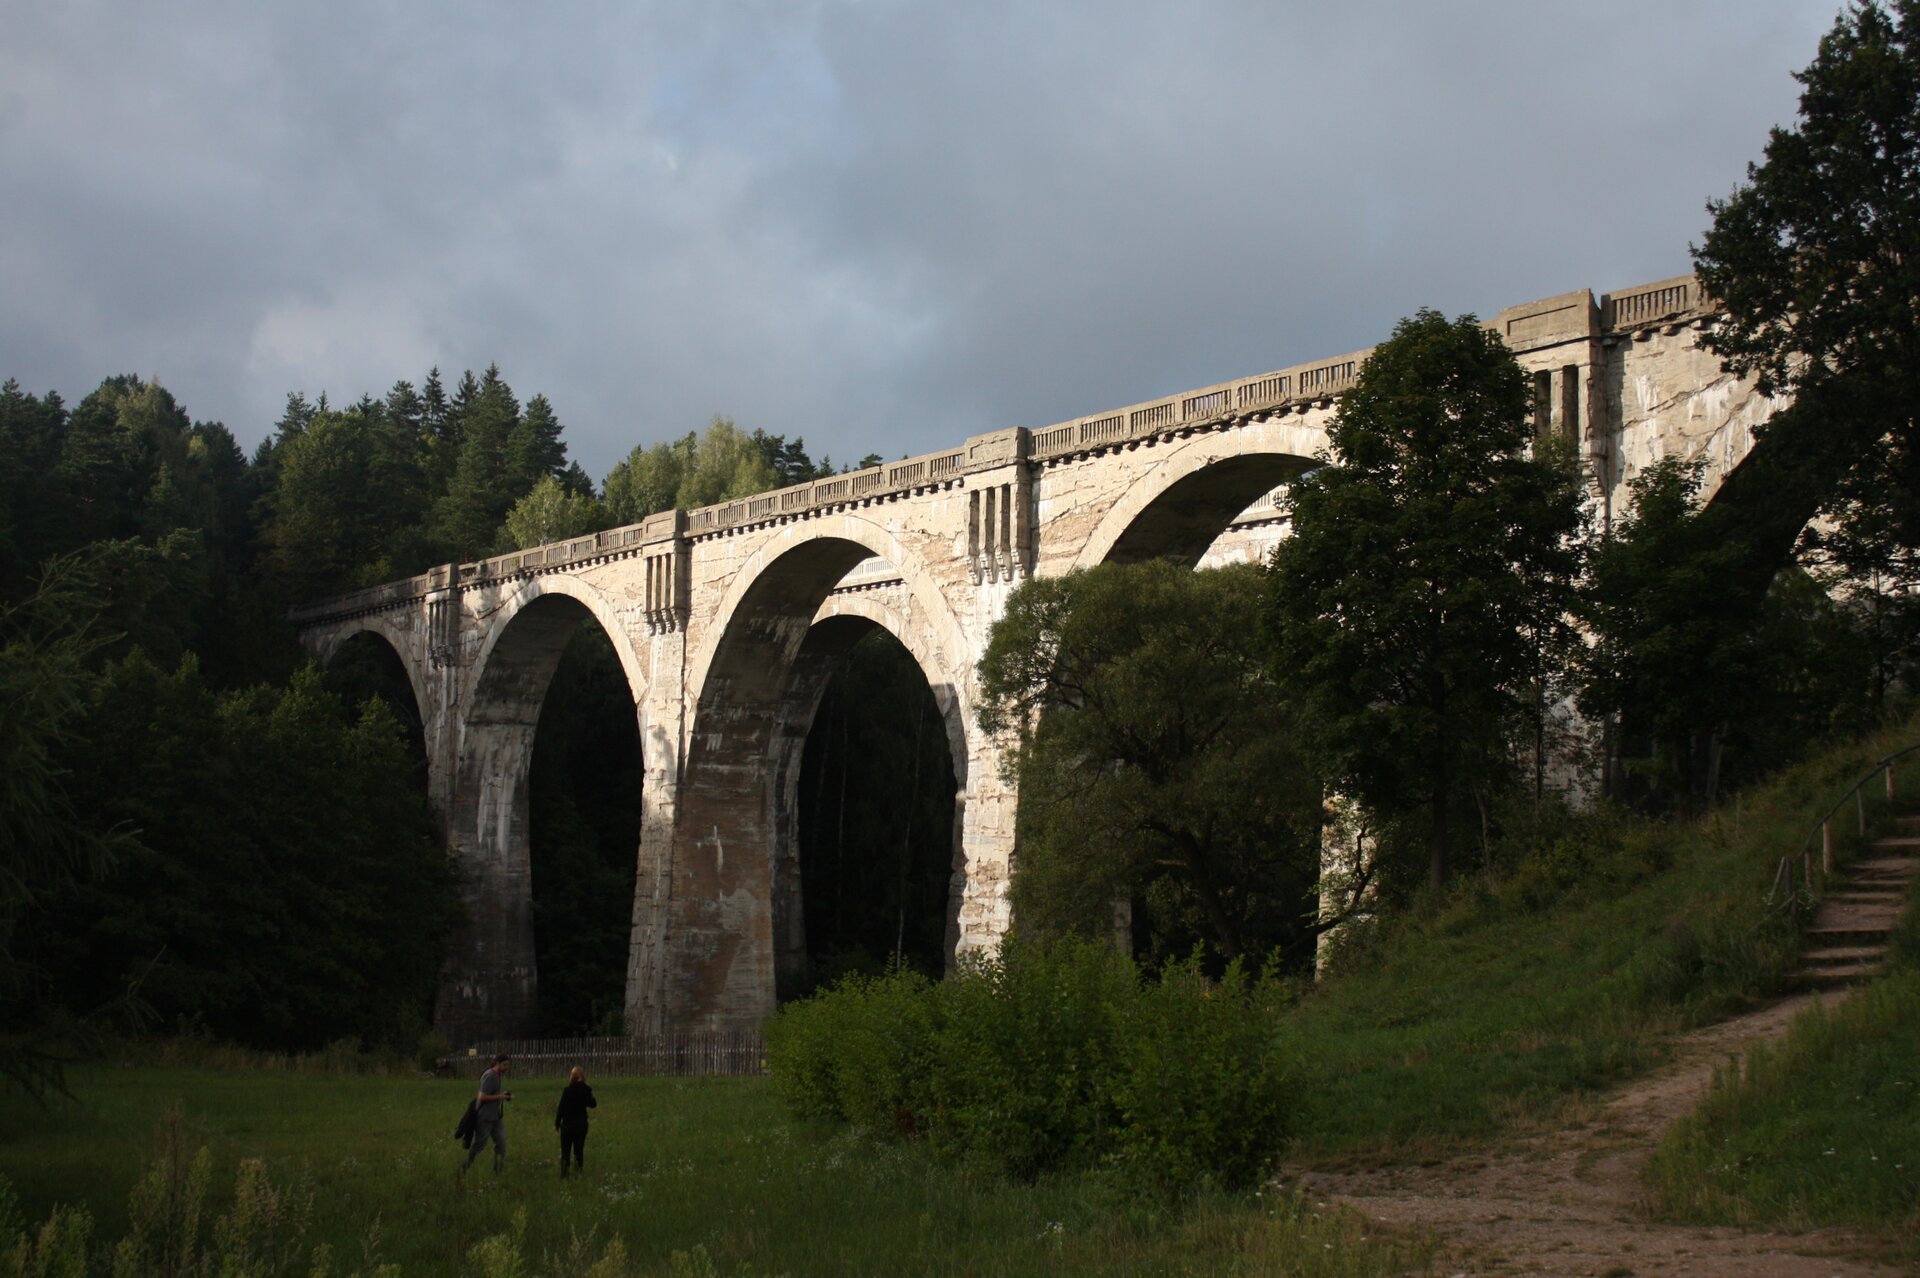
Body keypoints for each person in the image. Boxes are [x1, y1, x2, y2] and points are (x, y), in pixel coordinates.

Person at [461, 1054, 513, 1174]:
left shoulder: (498, 1075)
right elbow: (482, 1096)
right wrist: (500, 1096)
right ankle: (464, 1168)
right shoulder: (490, 1076)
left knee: (501, 1143)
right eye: (505, 1065)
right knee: (480, 1144)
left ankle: (497, 1171)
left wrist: (502, 1095)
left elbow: (492, 1093)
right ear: (498, 1063)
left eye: (508, 1065)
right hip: (485, 1117)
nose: (507, 1067)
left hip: (495, 1117)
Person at [554, 1065, 597, 1177]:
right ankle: (578, 1172)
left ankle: (564, 1174)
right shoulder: (586, 1090)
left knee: (565, 1151)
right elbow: (593, 1104)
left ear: (572, 1077)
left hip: (568, 1125)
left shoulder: (567, 1090)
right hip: (581, 1124)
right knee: (579, 1150)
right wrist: (589, 1090)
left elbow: (561, 1108)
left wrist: (557, 1123)